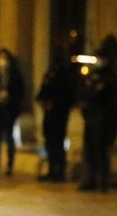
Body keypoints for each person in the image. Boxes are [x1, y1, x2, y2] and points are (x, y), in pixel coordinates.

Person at [78, 35, 117, 191]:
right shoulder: (94, 75)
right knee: (89, 150)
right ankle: (89, 180)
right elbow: (86, 93)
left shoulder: (110, 77)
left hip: (102, 119)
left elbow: (103, 96)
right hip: (91, 117)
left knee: (100, 151)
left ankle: (102, 182)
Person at [35, 29, 84, 182]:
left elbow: (66, 95)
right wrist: (44, 101)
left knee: (58, 142)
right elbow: (43, 91)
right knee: (49, 142)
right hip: (49, 114)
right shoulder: (50, 73)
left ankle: (59, 171)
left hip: (59, 114)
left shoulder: (65, 75)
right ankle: (51, 169)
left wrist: (54, 104)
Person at [0, 46, 24, 176]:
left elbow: (20, 92)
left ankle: (9, 165)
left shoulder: (15, 75)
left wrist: (11, 99)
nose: (2, 60)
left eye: (4, 58)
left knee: (9, 138)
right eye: (0, 57)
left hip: (10, 110)